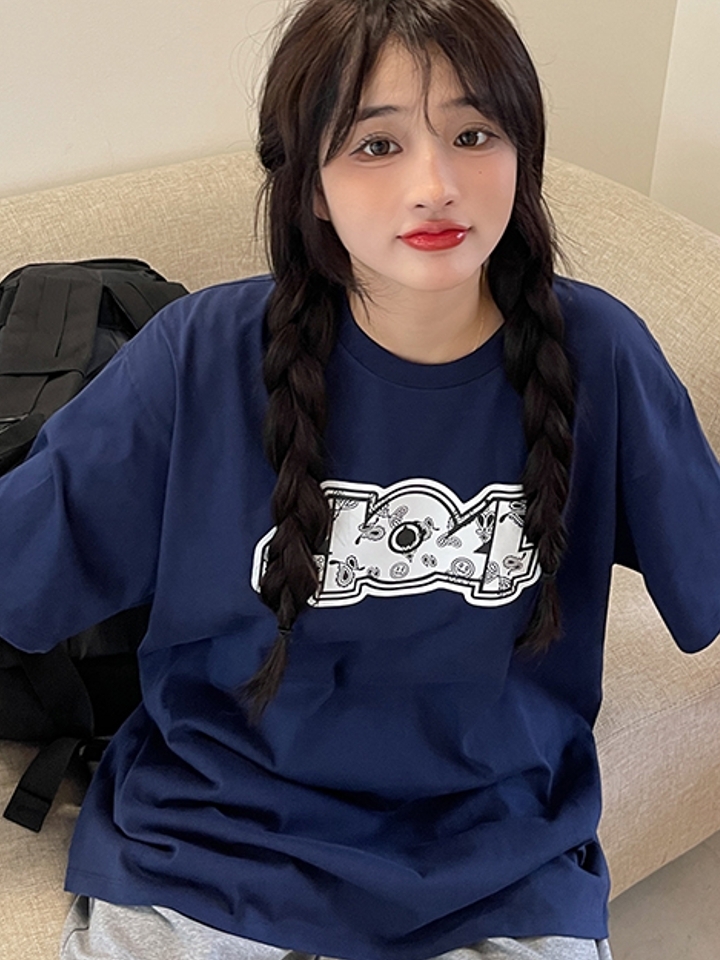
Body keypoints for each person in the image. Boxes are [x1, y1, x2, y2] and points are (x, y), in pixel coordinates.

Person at [1, 0, 719, 958]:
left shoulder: (600, 354)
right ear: (310, 184)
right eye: (377, 146)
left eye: (473, 134)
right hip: (212, 853)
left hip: (498, 864)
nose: (436, 186)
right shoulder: (200, 355)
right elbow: (21, 572)